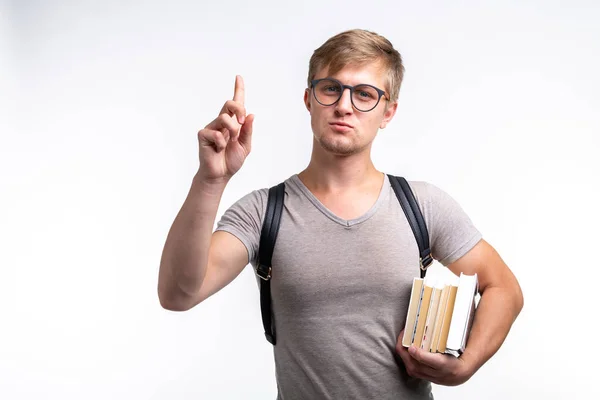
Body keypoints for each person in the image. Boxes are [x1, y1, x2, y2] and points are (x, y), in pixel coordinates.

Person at [157, 29, 524, 399]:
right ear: (308, 99)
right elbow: (177, 294)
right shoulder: (262, 212)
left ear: (388, 112)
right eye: (331, 88)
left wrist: (466, 364)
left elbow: (503, 288)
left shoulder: (422, 206)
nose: (344, 106)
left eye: (364, 94)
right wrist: (210, 180)